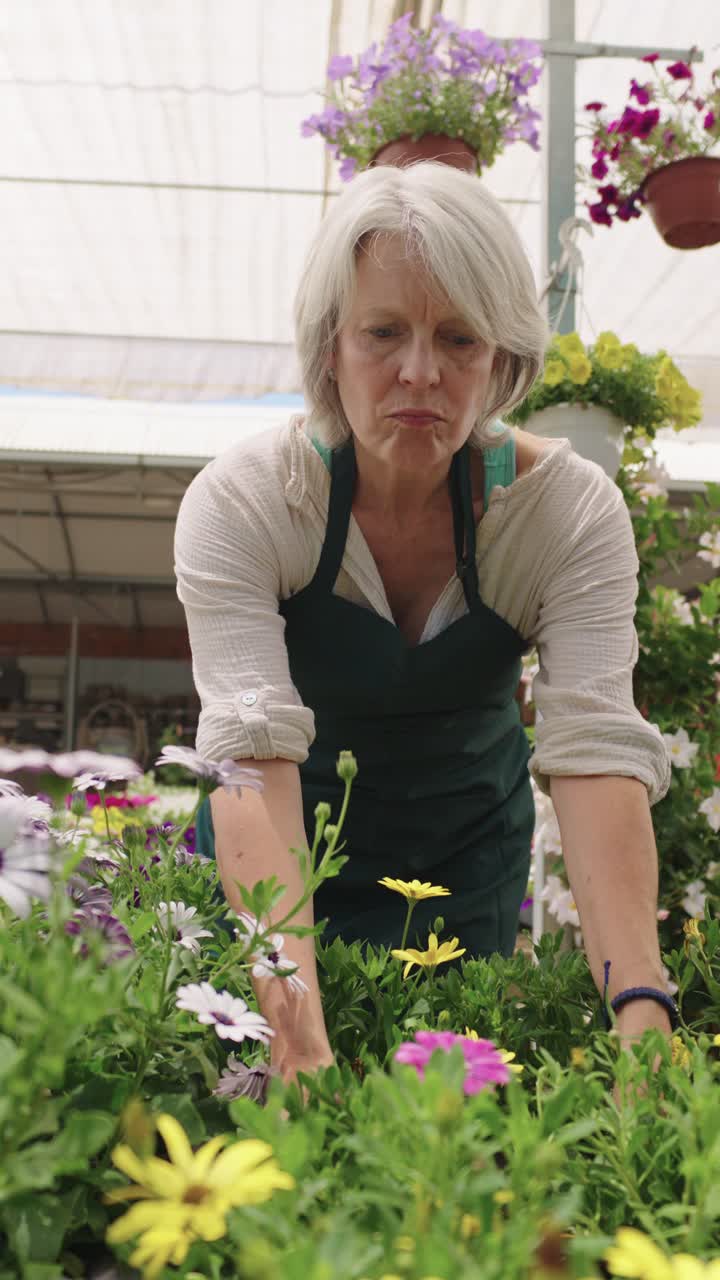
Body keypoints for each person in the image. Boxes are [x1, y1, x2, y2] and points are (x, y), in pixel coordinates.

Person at [175, 162, 673, 1084]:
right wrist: (295, 1035)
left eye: (458, 338)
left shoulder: (564, 516)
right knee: (259, 1114)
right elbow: (251, 760)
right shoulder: (249, 504)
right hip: (277, 877)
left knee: (444, 1142)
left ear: (503, 360)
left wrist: (643, 1017)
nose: (420, 371)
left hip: (461, 874)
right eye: (383, 332)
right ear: (330, 346)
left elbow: (598, 753)